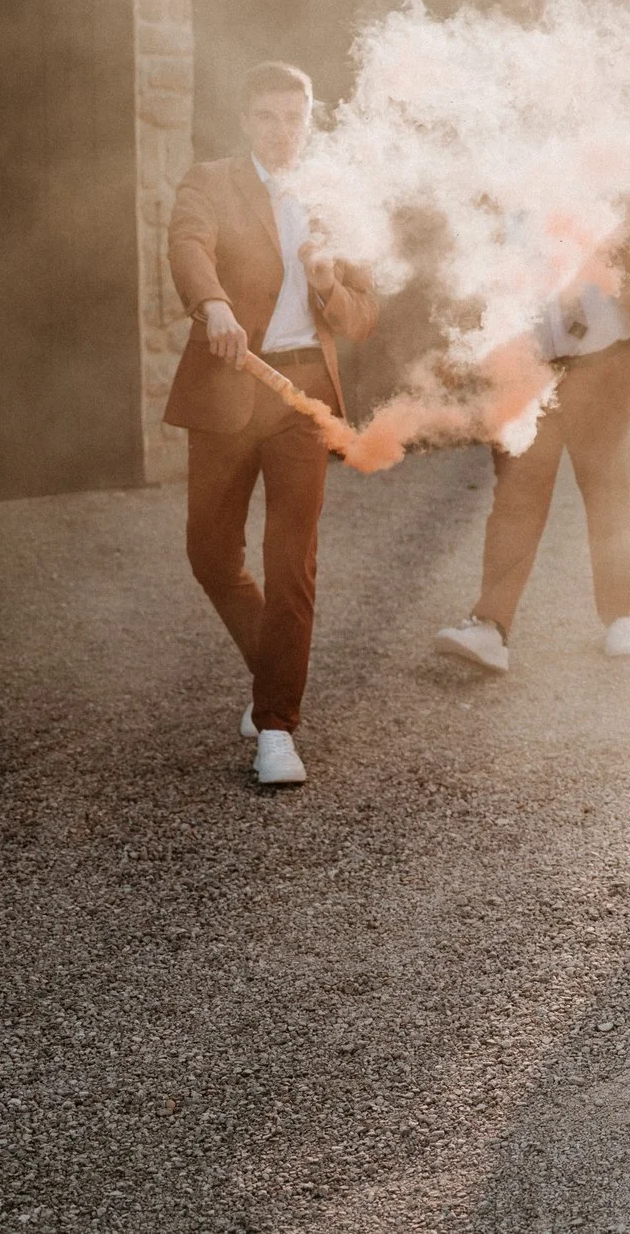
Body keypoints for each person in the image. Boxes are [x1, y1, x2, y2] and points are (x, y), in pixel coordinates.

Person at [165, 61, 377, 787]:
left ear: (311, 118)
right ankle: (275, 678)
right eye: (269, 117)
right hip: (229, 388)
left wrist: (328, 289)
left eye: (296, 116)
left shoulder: (333, 201)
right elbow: (189, 244)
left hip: (300, 399)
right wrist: (213, 303)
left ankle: (278, 727)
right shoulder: (211, 180)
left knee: (293, 559)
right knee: (211, 553)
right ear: (246, 119)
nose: (284, 131)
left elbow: (363, 311)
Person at [431, 218, 630, 673]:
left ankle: (621, 614)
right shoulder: (507, 210)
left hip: (609, 364)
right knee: (516, 496)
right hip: (531, 369)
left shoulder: (610, 195)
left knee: (611, 489)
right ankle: (491, 627)